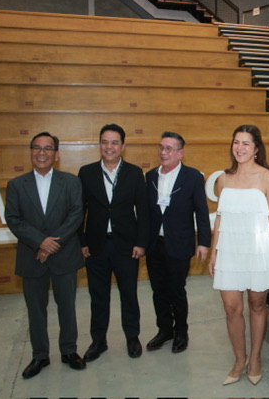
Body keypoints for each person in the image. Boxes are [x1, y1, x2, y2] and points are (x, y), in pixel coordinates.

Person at [5, 132, 86, 378]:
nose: (42, 152)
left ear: (56, 154)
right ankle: (40, 356)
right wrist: (40, 242)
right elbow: (13, 219)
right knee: (36, 309)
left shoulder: (71, 182)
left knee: (67, 307)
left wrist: (51, 244)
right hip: (32, 256)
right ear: (31, 152)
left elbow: (76, 215)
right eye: (37, 147)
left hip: (64, 255)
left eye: (48, 148)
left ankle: (69, 351)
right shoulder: (17, 185)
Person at [208, 124, 269, 386]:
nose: (239, 148)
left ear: (256, 149)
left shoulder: (267, 178)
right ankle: (239, 360)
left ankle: (255, 358)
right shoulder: (223, 179)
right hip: (229, 250)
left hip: (259, 250)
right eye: (236, 142)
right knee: (231, 308)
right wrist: (214, 253)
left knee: (257, 304)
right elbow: (220, 219)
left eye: (245, 143)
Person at [78, 124, 149, 361]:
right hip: (95, 246)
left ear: (123, 146)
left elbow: (143, 211)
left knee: (129, 294)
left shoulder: (134, 173)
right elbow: (79, 211)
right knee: (98, 296)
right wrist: (82, 242)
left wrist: (141, 242)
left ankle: (132, 337)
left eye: (115, 142)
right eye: (105, 142)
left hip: (127, 246)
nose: (109, 147)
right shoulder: (86, 172)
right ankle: (98, 341)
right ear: (100, 144)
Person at [144, 131, 211, 354]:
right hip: (155, 244)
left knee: (176, 291)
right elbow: (146, 213)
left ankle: (181, 331)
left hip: (179, 243)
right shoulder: (150, 176)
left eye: (169, 149)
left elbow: (201, 211)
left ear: (180, 153)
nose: (163, 152)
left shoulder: (192, 177)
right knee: (158, 291)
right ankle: (165, 330)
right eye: (161, 147)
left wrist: (203, 242)